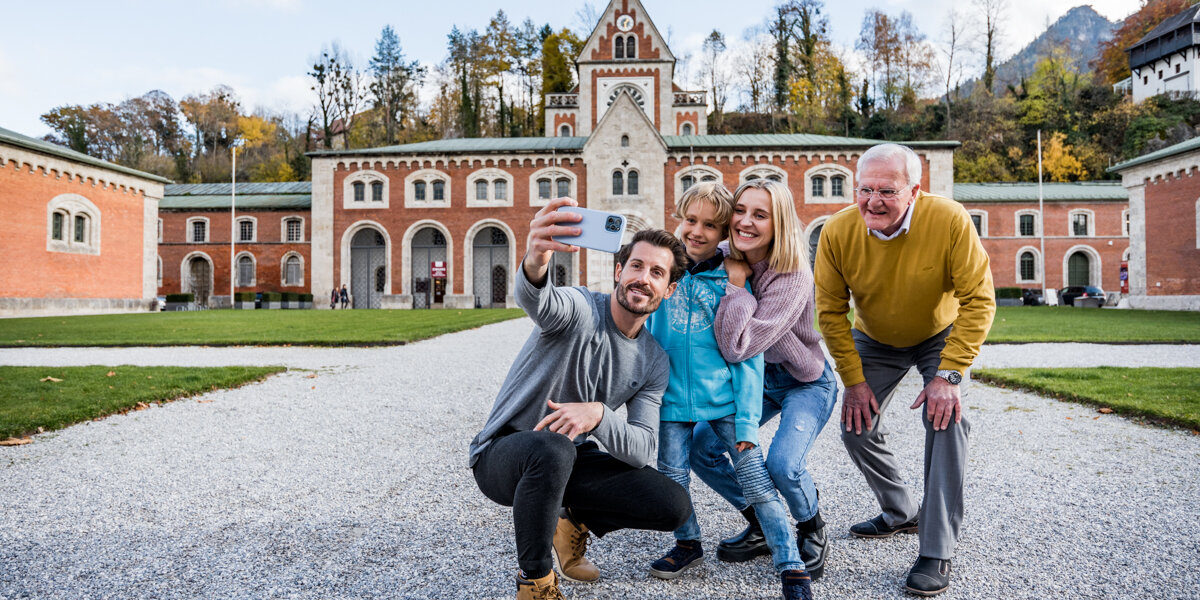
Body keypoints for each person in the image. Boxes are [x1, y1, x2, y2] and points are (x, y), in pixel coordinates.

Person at [469, 197, 693, 600]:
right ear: (619, 269)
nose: (643, 278)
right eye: (637, 266)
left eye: (657, 272)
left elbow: (641, 448)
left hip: (567, 457)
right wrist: (536, 259)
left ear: (669, 289)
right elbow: (540, 300)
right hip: (503, 454)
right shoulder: (580, 309)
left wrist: (599, 415)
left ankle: (570, 520)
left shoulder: (654, 361)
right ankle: (535, 582)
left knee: (673, 505)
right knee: (553, 448)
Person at [814, 143, 995, 597]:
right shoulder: (837, 231)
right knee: (856, 428)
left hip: (939, 331)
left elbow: (979, 300)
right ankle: (901, 512)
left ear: (914, 191)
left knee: (946, 419)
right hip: (875, 337)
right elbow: (831, 313)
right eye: (864, 189)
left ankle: (936, 548)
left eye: (887, 191)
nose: (873, 201)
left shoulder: (949, 219)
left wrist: (949, 375)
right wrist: (853, 382)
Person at [645, 182, 812, 600]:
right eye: (690, 220)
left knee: (756, 481)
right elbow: (643, 330)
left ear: (724, 237)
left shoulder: (734, 281)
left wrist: (747, 421)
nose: (697, 232)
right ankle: (687, 543)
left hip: (725, 404)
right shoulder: (665, 274)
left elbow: (748, 358)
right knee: (672, 479)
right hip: (670, 403)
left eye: (710, 225)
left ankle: (790, 563)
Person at [688, 178, 839, 588]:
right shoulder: (722, 254)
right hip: (756, 380)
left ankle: (812, 527)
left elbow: (741, 346)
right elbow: (682, 252)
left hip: (803, 380)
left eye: (760, 214)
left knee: (782, 465)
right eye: (740, 211)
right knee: (700, 448)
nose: (746, 221)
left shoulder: (791, 276)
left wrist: (736, 287)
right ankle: (758, 521)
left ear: (780, 223)